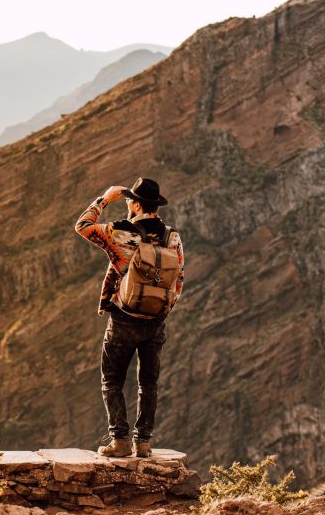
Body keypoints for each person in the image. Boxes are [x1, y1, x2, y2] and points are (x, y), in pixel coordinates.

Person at [73, 177, 184, 458]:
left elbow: (82, 227)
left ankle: (119, 441)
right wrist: (160, 311)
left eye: (128, 202)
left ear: (135, 204)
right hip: (156, 321)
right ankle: (143, 443)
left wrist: (104, 199)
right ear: (155, 207)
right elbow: (178, 280)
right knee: (148, 383)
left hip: (124, 318)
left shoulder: (120, 232)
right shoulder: (172, 236)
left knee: (112, 379)